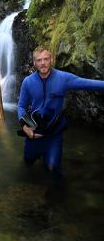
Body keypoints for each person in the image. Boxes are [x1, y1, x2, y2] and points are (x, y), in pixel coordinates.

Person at [18, 46, 104, 176]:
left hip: (54, 134)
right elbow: (21, 106)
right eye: (39, 60)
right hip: (34, 133)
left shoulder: (63, 79)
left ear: (51, 59)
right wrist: (24, 126)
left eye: (46, 59)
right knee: (28, 164)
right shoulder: (28, 82)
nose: (43, 63)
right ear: (34, 62)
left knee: (53, 170)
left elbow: (90, 84)